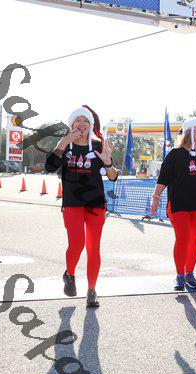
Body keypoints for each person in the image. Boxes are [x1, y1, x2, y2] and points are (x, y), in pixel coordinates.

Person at [45, 105, 119, 308]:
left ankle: (92, 290)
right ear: (71, 124)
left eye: (86, 120)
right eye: (78, 120)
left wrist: (108, 163)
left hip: (96, 203)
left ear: (91, 125)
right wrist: (63, 142)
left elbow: (113, 177)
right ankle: (69, 274)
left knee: (94, 248)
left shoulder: (98, 145)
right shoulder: (65, 146)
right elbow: (49, 167)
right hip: (72, 203)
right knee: (77, 244)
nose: (82, 124)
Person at [151, 117, 196, 291]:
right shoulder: (175, 153)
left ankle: (189, 274)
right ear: (189, 131)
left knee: (194, 240)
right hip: (179, 204)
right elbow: (163, 178)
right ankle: (179, 275)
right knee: (183, 238)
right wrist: (155, 198)